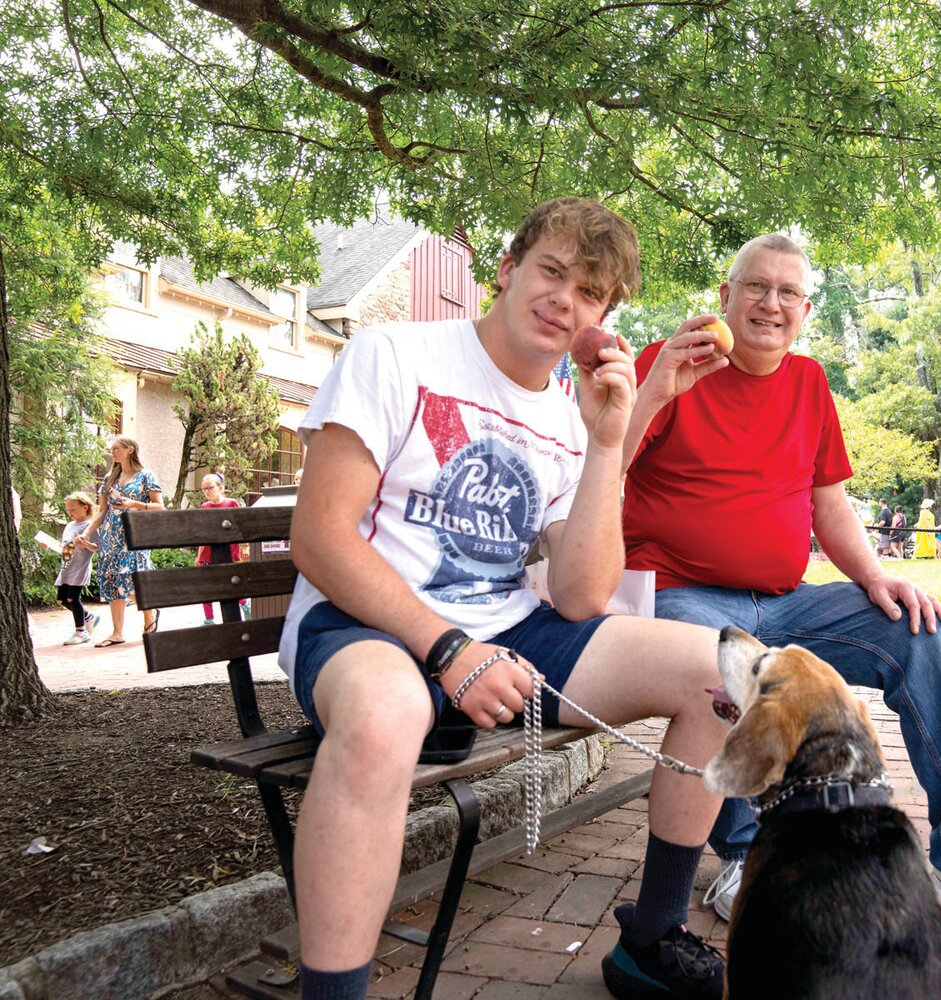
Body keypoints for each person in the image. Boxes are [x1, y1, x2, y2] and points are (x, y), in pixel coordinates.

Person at [280, 198, 729, 1000]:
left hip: (511, 628)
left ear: (606, 314)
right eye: (552, 271)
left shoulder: (569, 415)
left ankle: (653, 936)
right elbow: (319, 538)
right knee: (386, 718)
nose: (566, 300)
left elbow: (584, 595)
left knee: (726, 673)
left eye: (591, 293)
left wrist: (604, 442)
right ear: (508, 269)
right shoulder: (392, 354)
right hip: (365, 624)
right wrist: (448, 649)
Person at [621, 233, 941, 936]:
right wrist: (652, 392)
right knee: (719, 665)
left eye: (787, 293)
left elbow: (828, 503)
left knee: (918, 631)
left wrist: (875, 578)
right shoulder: (670, 364)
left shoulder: (809, 385)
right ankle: (746, 856)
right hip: (685, 593)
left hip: (787, 598)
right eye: (755, 287)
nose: (770, 304)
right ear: (725, 296)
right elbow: (596, 461)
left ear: (804, 310)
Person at [84, 436, 162, 647]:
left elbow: (159, 506)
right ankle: (117, 633)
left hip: (134, 536)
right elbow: (102, 511)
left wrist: (134, 504)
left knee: (136, 581)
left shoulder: (146, 476)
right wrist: (88, 532)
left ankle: (150, 614)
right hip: (111, 537)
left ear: (129, 450)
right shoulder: (110, 477)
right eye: (112, 450)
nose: (113, 453)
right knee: (113, 581)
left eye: (116, 449)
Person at [197, 473, 251, 625]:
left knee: (232, 584)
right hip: (207, 555)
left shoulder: (231, 503)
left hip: (229, 553)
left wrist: (245, 547)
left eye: (210, 487)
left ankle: (245, 604)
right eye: (204, 489)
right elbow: (203, 534)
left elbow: (241, 526)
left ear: (220, 488)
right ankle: (208, 619)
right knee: (206, 587)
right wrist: (199, 555)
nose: (207, 491)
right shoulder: (204, 507)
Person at [56, 491, 101, 644]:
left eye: (73, 509)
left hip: (80, 568)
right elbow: (66, 545)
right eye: (68, 510)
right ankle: (89, 617)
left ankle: (81, 631)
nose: (70, 513)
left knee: (72, 598)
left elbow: (97, 547)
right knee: (62, 600)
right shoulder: (69, 525)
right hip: (66, 567)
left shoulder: (90, 525)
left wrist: (86, 544)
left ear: (85, 507)